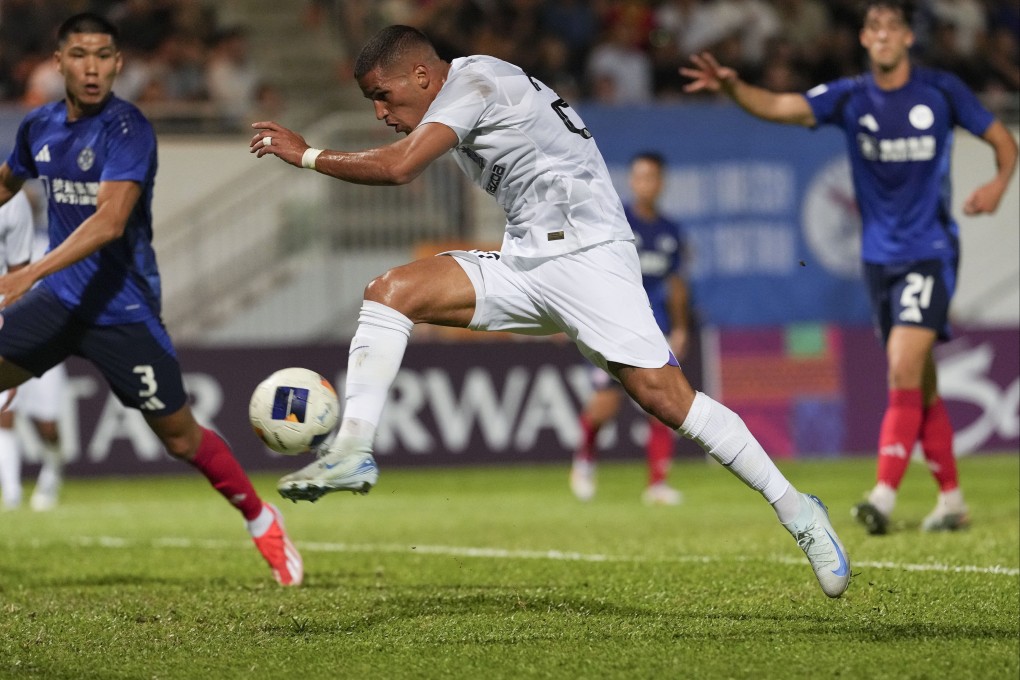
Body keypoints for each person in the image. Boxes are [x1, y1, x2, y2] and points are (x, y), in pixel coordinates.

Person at [250, 24, 850, 598]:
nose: (380, 111)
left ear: (420, 74)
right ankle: (353, 449)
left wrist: (307, 156)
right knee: (389, 291)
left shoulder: (475, 83)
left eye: (383, 95)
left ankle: (798, 510)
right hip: (527, 260)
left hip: (588, 258)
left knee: (668, 400)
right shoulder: (463, 91)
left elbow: (400, 166)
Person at [681, 0, 1018, 535]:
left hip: (929, 251)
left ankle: (882, 496)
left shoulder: (940, 91)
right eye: (873, 27)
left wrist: (997, 186)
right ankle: (952, 500)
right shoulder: (851, 97)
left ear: (908, 37)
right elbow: (781, 105)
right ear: (864, 39)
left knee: (903, 368)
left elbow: (1002, 140)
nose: (882, 35)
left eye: (892, 26)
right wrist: (732, 86)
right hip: (878, 261)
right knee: (921, 383)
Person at [0, 13, 303, 586]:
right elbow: (4, 185)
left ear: (118, 65)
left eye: (104, 55)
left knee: (181, 437)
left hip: (121, 309)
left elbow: (110, 221)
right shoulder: (36, 126)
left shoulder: (127, 129)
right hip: (59, 300)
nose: (92, 67)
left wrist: (27, 274)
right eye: (80, 55)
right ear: (57, 62)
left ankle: (261, 517)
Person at [570, 151, 691, 506]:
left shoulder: (671, 231)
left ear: (661, 183)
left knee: (664, 402)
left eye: (652, 177)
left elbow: (677, 284)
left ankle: (657, 483)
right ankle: (586, 459)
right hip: (616, 325)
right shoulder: (614, 222)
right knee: (604, 406)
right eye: (639, 177)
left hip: (658, 327)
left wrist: (681, 327)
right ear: (632, 182)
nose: (645, 184)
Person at [0, 189, 67, 511]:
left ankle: (53, 471)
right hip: (7, 342)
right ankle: (11, 492)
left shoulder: (51, 246)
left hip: (45, 345)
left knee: (48, 427)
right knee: (4, 416)